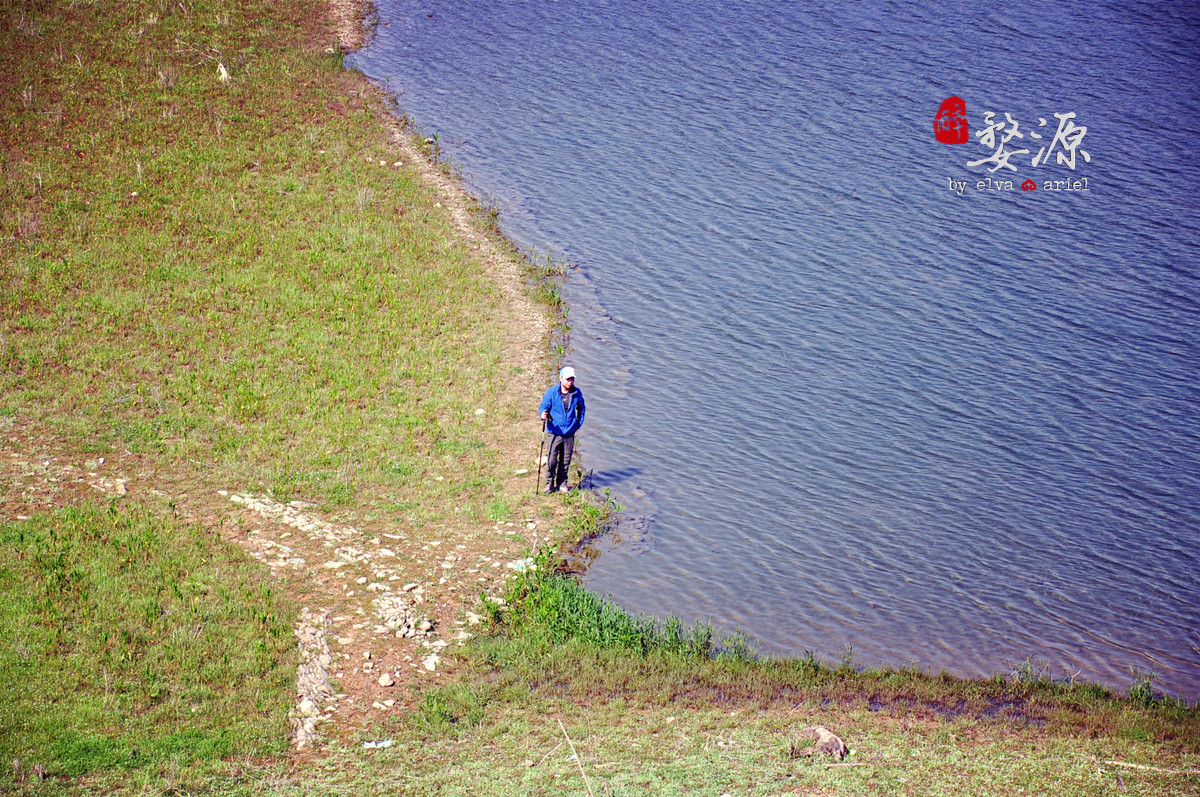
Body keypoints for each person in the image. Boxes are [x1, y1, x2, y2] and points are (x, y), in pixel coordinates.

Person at [538, 366, 586, 493]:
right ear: (561, 378)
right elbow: (543, 407)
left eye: (572, 379)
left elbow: (582, 409)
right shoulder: (551, 392)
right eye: (567, 379)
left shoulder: (576, 393)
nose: (570, 382)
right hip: (554, 432)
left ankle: (562, 484)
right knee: (551, 459)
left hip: (569, 433)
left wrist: (577, 425)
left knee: (566, 460)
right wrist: (543, 415)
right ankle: (549, 484)